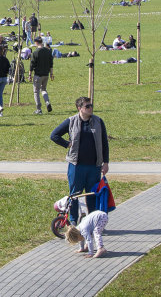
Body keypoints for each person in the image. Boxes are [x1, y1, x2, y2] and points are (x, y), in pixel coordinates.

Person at [50, 97, 109, 226]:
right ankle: (73, 221)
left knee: (92, 194)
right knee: (75, 195)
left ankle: (92, 222)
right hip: (76, 166)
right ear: (79, 108)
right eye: (87, 106)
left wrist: (106, 162)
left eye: (91, 105)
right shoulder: (71, 121)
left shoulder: (98, 122)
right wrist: (67, 144)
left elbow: (104, 143)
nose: (90, 108)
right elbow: (54, 135)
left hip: (94, 167)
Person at [29, 36, 54, 114]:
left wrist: (30, 75)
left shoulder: (35, 53)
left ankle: (39, 109)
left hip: (38, 75)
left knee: (36, 92)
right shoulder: (48, 51)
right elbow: (51, 64)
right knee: (43, 89)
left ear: (36, 43)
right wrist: (51, 74)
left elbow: (32, 65)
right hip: (46, 74)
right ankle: (47, 102)